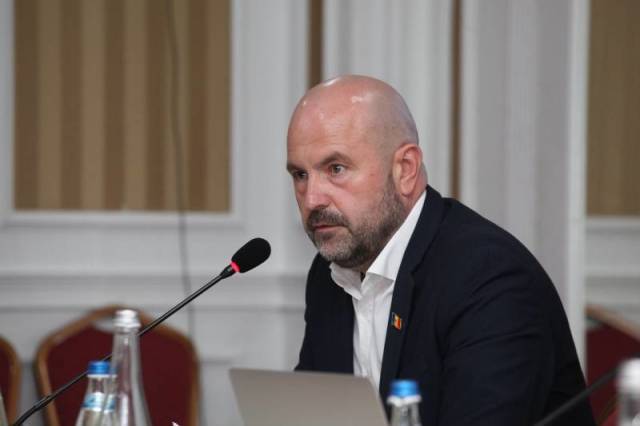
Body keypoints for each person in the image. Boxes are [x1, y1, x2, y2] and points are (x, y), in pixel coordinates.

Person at [287, 75, 595, 425]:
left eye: (336, 169)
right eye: (300, 175)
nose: (312, 199)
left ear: (405, 169)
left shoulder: (490, 278)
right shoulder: (329, 274)